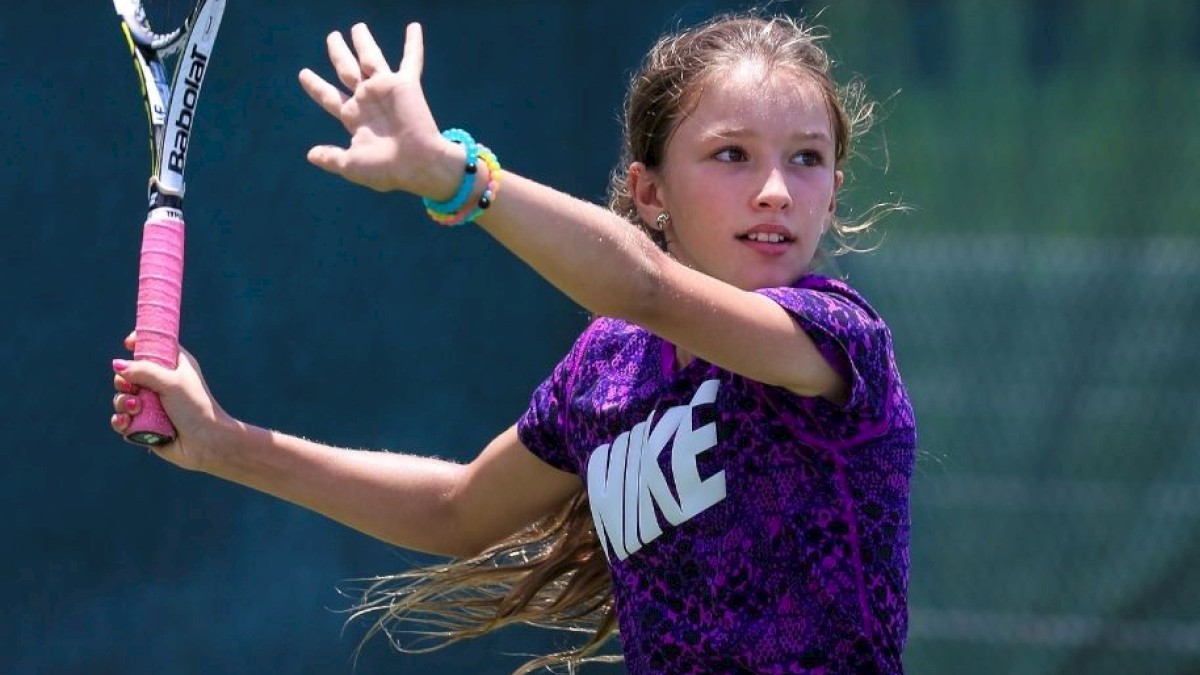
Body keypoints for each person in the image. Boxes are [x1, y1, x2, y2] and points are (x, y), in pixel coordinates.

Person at [110, 10, 916, 674]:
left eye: (807, 159)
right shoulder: (610, 365)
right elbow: (459, 510)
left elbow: (643, 283)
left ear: (834, 190)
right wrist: (223, 442)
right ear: (650, 191)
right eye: (732, 155)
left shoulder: (840, 340)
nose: (776, 190)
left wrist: (459, 176)